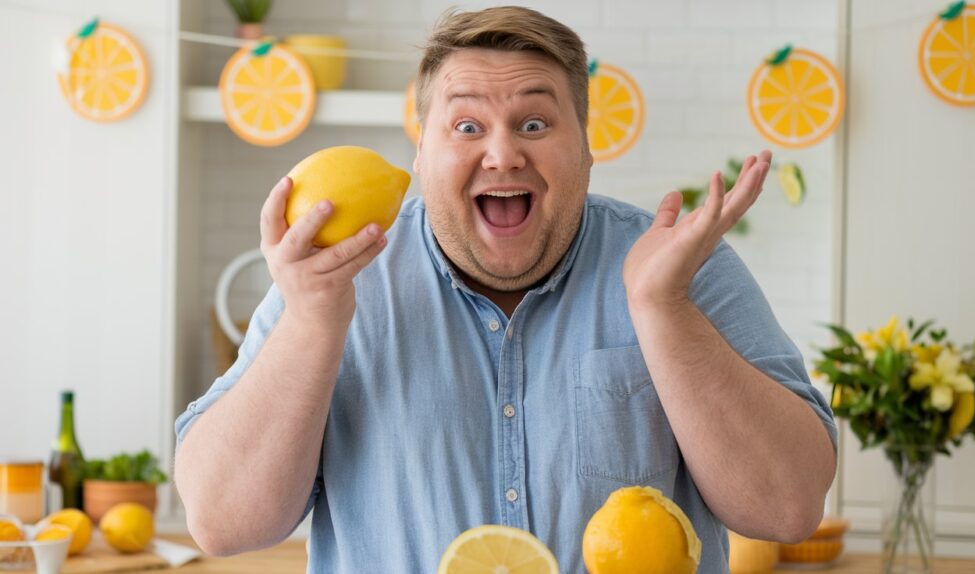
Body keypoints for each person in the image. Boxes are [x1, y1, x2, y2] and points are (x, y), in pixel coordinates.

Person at [174, 6, 837, 572]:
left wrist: (661, 313)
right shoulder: (334, 277)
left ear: (585, 150)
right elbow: (225, 522)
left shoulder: (682, 267)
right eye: (466, 127)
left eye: (535, 124)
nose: (502, 155)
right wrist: (312, 325)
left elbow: (786, 506)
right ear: (421, 153)